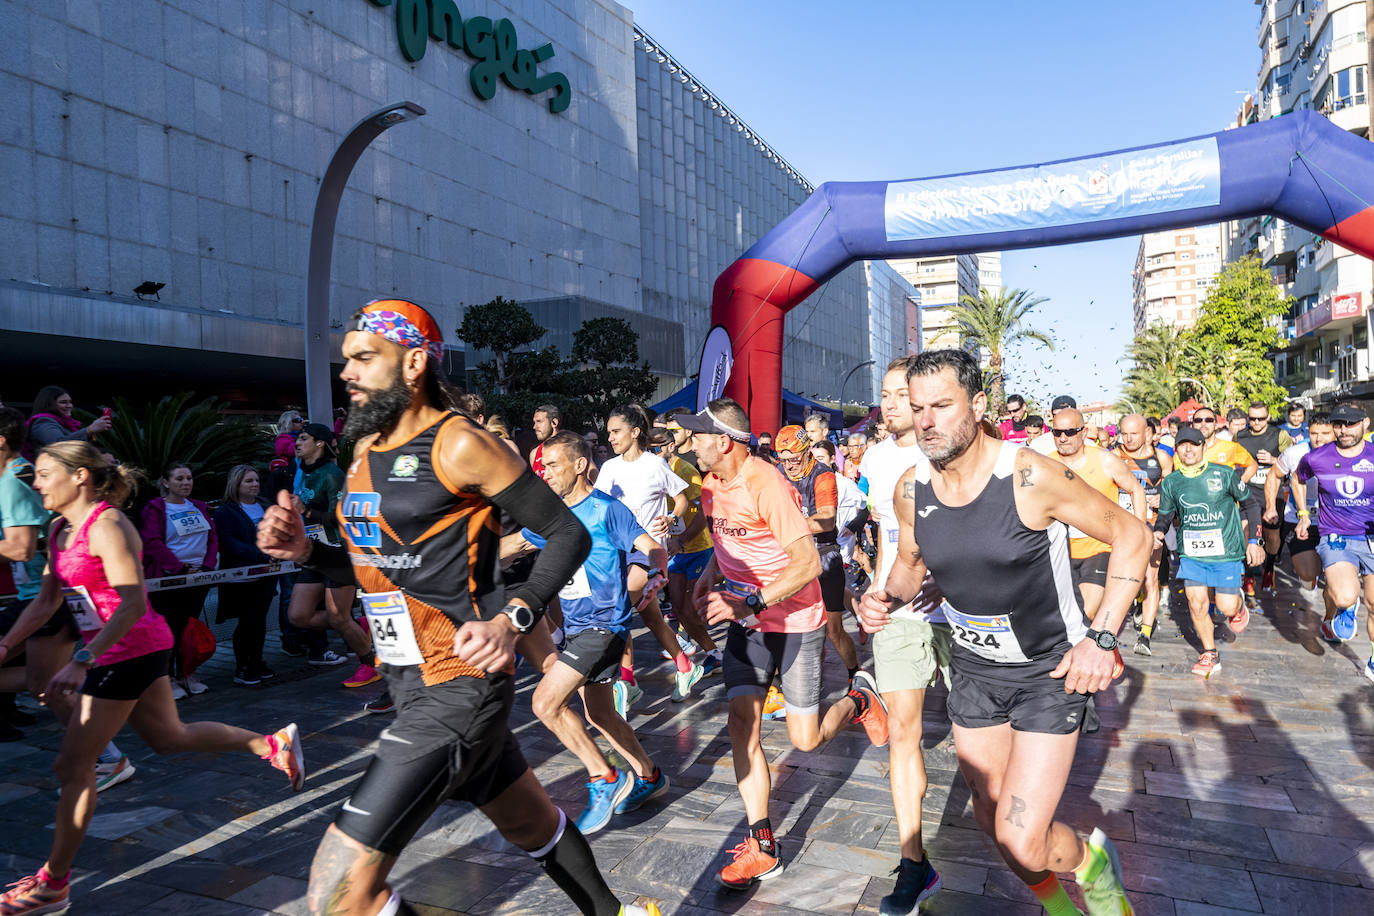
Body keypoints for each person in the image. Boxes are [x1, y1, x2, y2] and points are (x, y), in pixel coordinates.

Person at [256, 297, 658, 916]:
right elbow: (373, 566)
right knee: (531, 824)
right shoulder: (363, 457)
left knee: (338, 892)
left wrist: (513, 615)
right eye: (347, 360)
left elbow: (567, 533)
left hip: (457, 685)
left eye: (364, 357)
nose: (347, 373)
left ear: (413, 362)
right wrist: (307, 549)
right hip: (409, 681)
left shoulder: (458, 444)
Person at [858, 348, 1150, 916]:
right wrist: (884, 597)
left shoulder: (1029, 475)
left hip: (1048, 673)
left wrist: (1103, 637)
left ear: (979, 403)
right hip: (974, 673)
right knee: (995, 824)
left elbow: (1133, 536)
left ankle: (1094, 868)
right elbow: (912, 564)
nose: (926, 421)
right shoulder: (912, 489)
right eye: (917, 408)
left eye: (942, 406)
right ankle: (1064, 911)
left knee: (1024, 837)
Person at [0, 441, 302, 916]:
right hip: (122, 651)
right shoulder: (60, 528)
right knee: (169, 738)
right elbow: (45, 602)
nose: (35, 482)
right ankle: (271, 745)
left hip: (127, 652)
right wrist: (4, 646)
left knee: (71, 766)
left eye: (41, 472)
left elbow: (133, 602)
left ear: (79, 476)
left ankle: (52, 885)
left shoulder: (108, 525)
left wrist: (82, 658)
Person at [678, 398, 889, 890]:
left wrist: (750, 600)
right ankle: (762, 844)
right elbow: (726, 541)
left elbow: (808, 564)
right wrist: (710, 574)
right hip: (747, 622)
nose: (691, 442)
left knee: (805, 740)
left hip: (795, 620)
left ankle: (859, 699)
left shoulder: (766, 483)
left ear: (724, 441)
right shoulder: (711, 486)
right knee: (741, 725)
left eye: (698, 434)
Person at [522, 432, 672, 834]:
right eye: (543, 465)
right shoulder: (554, 517)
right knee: (600, 712)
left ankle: (604, 778)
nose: (545, 472)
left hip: (605, 626)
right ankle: (650, 775)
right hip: (577, 628)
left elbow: (650, 546)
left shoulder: (607, 509)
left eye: (553, 464)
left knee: (545, 703)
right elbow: (516, 544)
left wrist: (653, 571)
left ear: (580, 465)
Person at [855, 357, 951, 916]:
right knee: (903, 736)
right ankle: (914, 861)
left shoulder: (950, 449)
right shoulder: (874, 457)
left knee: (984, 734)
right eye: (885, 395)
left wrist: (947, 575)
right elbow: (884, 536)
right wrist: (870, 592)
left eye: (900, 395)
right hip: (900, 615)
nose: (890, 404)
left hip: (966, 615)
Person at [595, 404, 702, 709]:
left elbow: (681, 500)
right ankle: (685, 665)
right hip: (617, 551)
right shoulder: (609, 468)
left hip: (650, 550)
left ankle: (626, 680)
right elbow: (599, 506)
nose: (611, 438)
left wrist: (671, 517)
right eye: (609, 433)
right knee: (651, 617)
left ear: (635, 432)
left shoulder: (655, 466)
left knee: (621, 606)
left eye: (616, 432)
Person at [1154, 427, 1265, 678]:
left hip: (1226, 552)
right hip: (1192, 553)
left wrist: (1255, 540)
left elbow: (1250, 503)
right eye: (1182, 445)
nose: (1188, 449)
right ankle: (1209, 653)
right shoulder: (1172, 481)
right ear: (1176, 450)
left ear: (1204, 446)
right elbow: (1165, 515)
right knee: (1197, 602)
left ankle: (1237, 608)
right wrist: (1158, 532)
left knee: (1225, 607)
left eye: (1193, 444)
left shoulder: (1224, 474)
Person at [286, 423, 377, 684]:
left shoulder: (332, 475)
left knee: (338, 616)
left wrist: (305, 512)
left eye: (304, 438)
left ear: (319, 444)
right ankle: (355, 626)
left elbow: (341, 519)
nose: (297, 442)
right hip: (315, 552)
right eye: (297, 438)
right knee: (298, 615)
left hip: (339, 552)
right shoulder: (301, 472)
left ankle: (369, 663)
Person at [1292, 403, 1374, 681]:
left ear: (1365, 423)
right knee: (1344, 596)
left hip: (1372, 537)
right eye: (1338, 424)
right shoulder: (1318, 457)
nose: (1343, 430)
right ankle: (1344, 608)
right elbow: (1297, 478)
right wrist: (1303, 514)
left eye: (1350, 424)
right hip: (1336, 537)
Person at [774, 425, 861, 687]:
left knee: (833, 630)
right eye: (784, 460)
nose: (789, 466)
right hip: (792, 558)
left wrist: (787, 523)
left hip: (824, 557)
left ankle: (855, 675)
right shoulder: (779, 473)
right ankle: (786, 683)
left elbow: (826, 520)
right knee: (786, 625)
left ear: (807, 453)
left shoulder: (821, 475)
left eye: (794, 459)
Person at [1048, 410, 1146, 622]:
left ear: (1083, 433)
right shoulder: (1045, 464)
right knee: (1059, 614)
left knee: (1088, 609)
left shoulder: (1105, 461)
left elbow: (1136, 490)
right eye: (1057, 432)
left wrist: (1140, 531)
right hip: (1059, 550)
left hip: (1099, 547)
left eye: (1070, 432)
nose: (1063, 438)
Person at [139, 462, 218, 698]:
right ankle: (167, 678)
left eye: (189, 478)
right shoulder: (154, 509)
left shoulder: (199, 506)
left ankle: (186, 674)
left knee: (188, 629)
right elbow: (152, 542)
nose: (186, 483)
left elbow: (213, 537)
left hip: (198, 578)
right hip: (168, 580)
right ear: (165, 482)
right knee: (168, 629)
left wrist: (206, 567)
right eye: (179, 479)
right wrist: (180, 568)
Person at [651, 425, 722, 679]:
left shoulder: (686, 471)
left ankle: (717, 650)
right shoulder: (652, 470)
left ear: (671, 447)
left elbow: (702, 515)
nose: (654, 453)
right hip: (674, 550)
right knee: (679, 609)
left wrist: (681, 541)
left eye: (658, 448)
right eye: (650, 449)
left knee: (691, 606)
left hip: (699, 547)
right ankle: (712, 652)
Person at [1113, 414, 1173, 656]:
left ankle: (1145, 636)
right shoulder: (1115, 456)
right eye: (1124, 433)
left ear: (1147, 433)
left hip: (1150, 526)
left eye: (1133, 434)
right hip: (1123, 528)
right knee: (1125, 578)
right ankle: (1135, 607)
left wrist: (1163, 500)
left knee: (1150, 579)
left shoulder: (1161, 458)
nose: (1128, 439)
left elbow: (1171, 494)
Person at [213, 464, 278, 686]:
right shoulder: (225, 512)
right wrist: (261, 556)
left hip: (268, 574)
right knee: (247, 621)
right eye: (248, 481)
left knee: (259, 621)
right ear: (236, 484)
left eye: (256, 480)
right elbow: (230, 543)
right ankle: (243, 666)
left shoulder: (266, 506)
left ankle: (257, 660)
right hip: (241, 576)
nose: (255, 485)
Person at [1265, 412, 1334, 595]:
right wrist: (1271, 506)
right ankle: (1314, 571)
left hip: (1335, 523)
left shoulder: (1343, 454)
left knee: (1336, 580)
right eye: (1314, 433)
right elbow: (1273, 475)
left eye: (1325, 433)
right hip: (1299, 520)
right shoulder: (1296, 452)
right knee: (1307, 573)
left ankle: (1333, 616)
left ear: (1335, 432)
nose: (1319, 439)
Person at [1233, 402, 1294, 599]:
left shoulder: (1280, 435)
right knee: (1246, 533)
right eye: (1252, 418)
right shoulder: (1239, 436)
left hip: (1271, 492)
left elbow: (1292, 462)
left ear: (1268, 417)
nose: (1256, 422)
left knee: (1272, 538)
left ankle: (1269, 568)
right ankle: (1248, 575)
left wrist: (1273, 460)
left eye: (1261, 418)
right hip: (1248, 492)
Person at [23, 386, 112, 458]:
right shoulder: (43, 422)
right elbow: (58, 445)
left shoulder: (65, 422)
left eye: (70, 402)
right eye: (63, 402)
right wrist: (89, 429)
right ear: (49, 404)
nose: (69, 406)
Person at [531, 404, 562, 476]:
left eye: (539, 421)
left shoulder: (572, 447)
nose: (534, 427)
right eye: (534, 422)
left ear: (554, 423)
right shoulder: (534, 454)